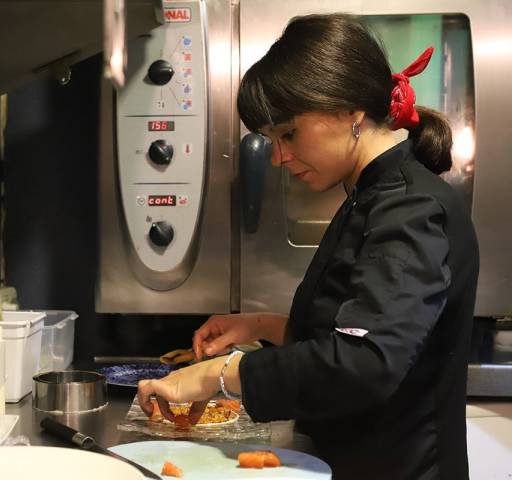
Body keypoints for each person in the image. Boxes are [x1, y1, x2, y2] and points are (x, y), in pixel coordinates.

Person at [137, 13, 479, 480]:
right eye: (272, 139)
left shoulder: (411, 208)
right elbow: (351, 331)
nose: (277, 156)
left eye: (289, 133)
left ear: (351, 109)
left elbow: (364, 363)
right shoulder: (370, 195)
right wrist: (260, 326)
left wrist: (218, 376)